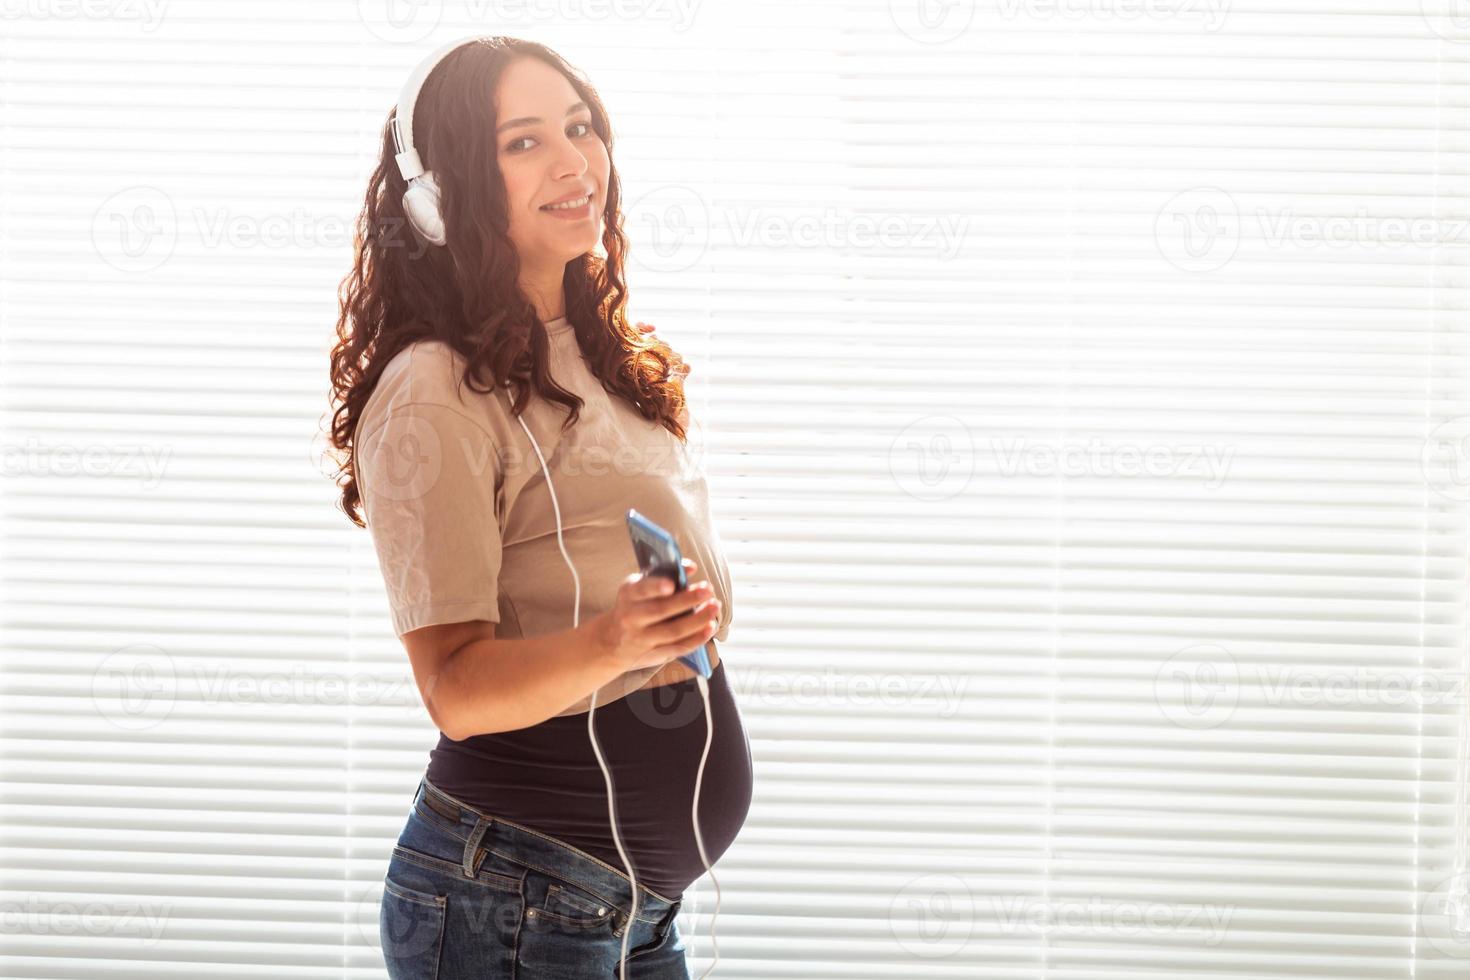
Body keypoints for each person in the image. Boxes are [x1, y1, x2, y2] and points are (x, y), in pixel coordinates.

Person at [325, 36, 753, 979]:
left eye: (580, 126)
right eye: (523, 142)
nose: (574, 161)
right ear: (445, 195)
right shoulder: (433, 387)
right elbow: (456, 691)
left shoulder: (600, 353)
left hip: (628, 909)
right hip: (510, 896)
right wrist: (614, 641)